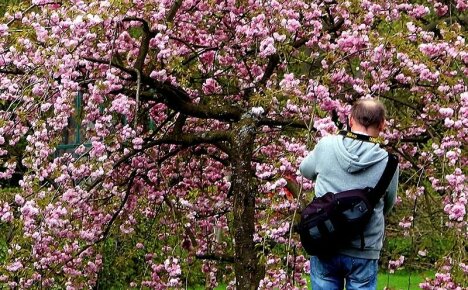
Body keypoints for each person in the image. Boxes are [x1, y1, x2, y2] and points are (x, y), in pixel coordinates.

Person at [299, 99, 399, 290]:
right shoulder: (389, 163)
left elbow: (305, 170)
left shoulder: (326, 145)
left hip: (324, 239)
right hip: (363, 247)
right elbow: (388, 204)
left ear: (351, 120)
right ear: (382, 124)